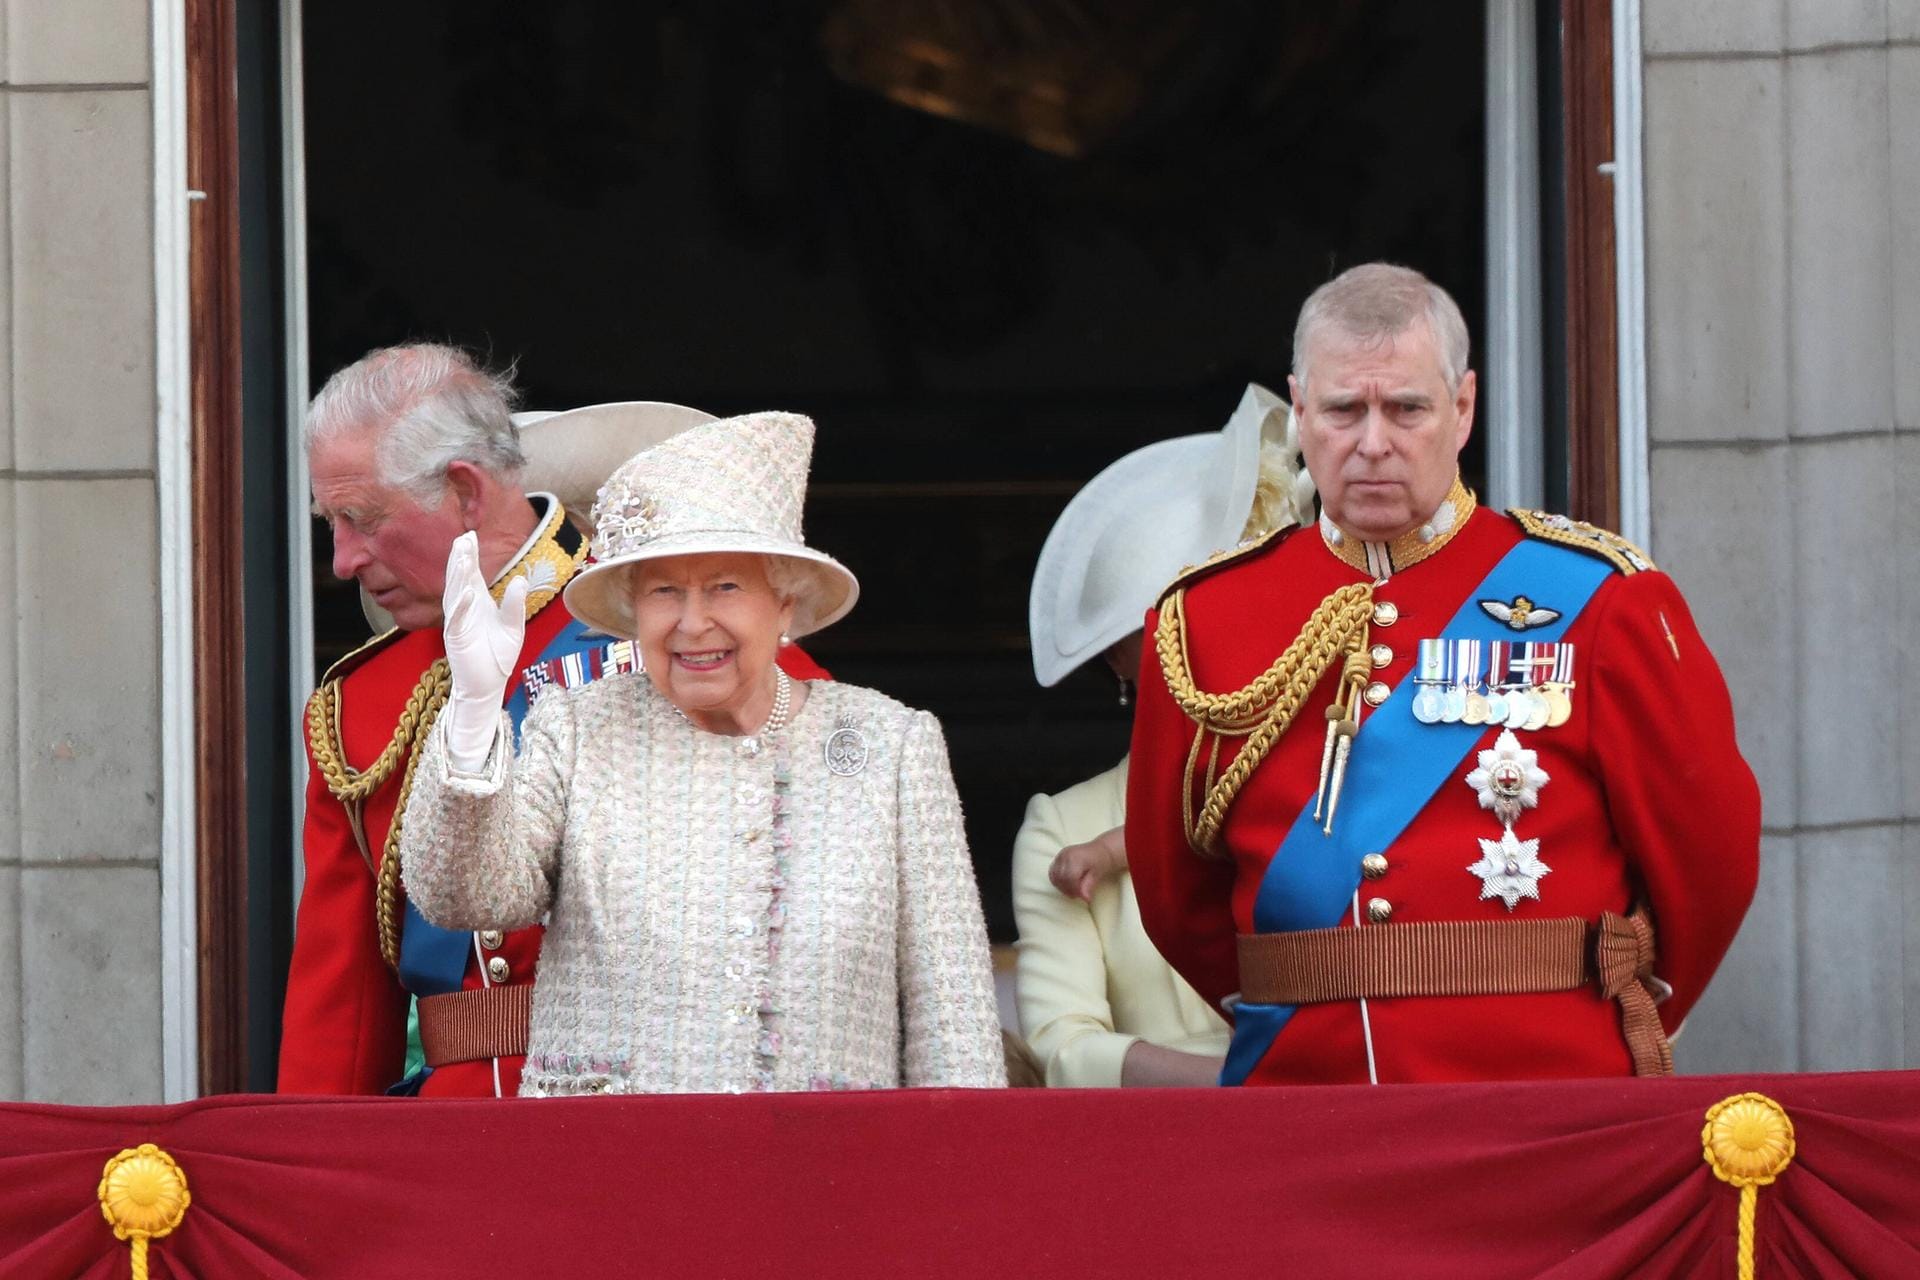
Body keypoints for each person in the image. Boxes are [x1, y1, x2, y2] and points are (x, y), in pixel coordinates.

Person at [1127, 263, 1761, 1086]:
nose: (1373, 442)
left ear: (1462, 408)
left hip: (1546, 1097)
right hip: (1301, 1099)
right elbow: (1178, 899)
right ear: (1299, 411)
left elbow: (1707, 867)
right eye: (1344, 410)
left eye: (1407, 409)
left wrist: (1597, 1009)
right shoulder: (1205, 620)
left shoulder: (1599, 600)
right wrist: (1305, 995)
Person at [398, 410, 1007, 1095]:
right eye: (664, 590)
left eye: (724, 586)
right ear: (632, 610)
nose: (692, 623)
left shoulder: (889, 747)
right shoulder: (577, 728)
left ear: (785, 604)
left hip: (834, 1176)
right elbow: (466, 894)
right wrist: (475, 709)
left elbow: (952, 1019)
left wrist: (955, 1186)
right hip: (615, 1175)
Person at [279, 345, 827, 1097]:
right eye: (330, 521)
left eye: (361, 518)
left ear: (466, 493)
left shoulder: (680, 632)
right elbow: (337, 1027)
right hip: (457, 1151)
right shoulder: (360, 708)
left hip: (676, 1111)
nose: (340, 560)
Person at [1014, 384, 1312, 1087]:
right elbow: (1063, 1050)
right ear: (1120, 657)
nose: (1215, 642)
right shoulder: (1066, 827)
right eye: (1173, 626)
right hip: (1171, 1161)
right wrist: (1242, 1087)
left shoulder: (1345, 778)